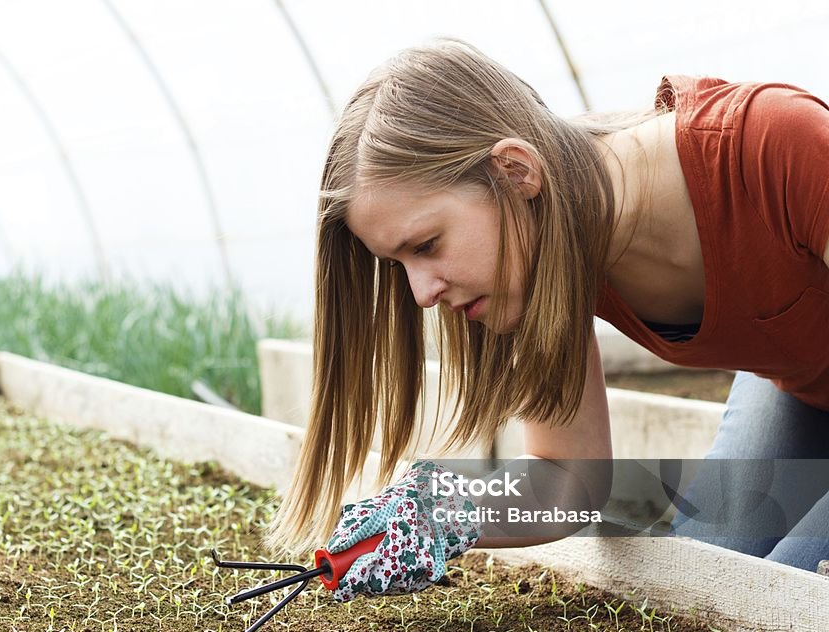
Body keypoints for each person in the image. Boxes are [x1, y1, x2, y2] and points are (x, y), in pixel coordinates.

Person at [266, 38, 829, 600]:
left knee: (785, 594)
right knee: (712, 581)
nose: (421, 294)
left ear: (515, 172)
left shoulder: (775, 146)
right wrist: (443, 511)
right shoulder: (543, 253)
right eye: (400, 264)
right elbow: (568, 478)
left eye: (428, 244)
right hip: (804, 387)